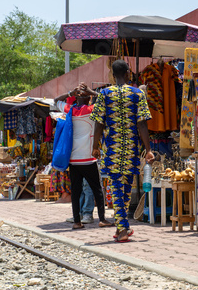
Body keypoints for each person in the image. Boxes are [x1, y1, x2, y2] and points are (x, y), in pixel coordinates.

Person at [90, 60, 154, 242]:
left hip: (112, 149)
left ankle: (122, 229)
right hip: (131, 150)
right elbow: (142, 123)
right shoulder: (137, 93)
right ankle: (123, 227)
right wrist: (148, 149)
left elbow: (98, 123)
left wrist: (95, 146)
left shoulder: (104, 94)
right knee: (125, 189)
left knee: (117, 188)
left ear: (113, 75)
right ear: (127, 73)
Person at [54, 84, 113, 230]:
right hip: (88, 158)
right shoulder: (92, 110)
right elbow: (107, 100)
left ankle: (77, 222)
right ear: (89, 99)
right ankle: (102, 219)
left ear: (76, 99)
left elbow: (55, 101)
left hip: (73, 159)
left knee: (76, 191)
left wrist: (70, 93)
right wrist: (92, 92)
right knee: (97, 190)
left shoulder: (70, 110)